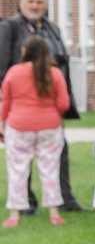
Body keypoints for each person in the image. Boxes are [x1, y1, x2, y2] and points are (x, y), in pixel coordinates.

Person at [0, 0, 85, 213]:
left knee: (59, 156)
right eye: (31, 2)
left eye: (39, 2)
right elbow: (2, 67)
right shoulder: (10, 27)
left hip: (50, 106)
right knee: (21, 160)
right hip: (22, 106)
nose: (35, 6)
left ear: (46, 5)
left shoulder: (52, 28)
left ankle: (65, 200)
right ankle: (27, 203)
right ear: (21, 3)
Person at [2, 36, 71, 227]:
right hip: (50, 127)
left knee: (17, 170)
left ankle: (14, 216)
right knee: (50, 169)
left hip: (18, 126)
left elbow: (5, 102)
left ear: (25, 51)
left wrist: (2, 124)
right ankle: (54, 214)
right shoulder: (55, 73)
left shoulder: (14, 72)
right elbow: (64, 103)